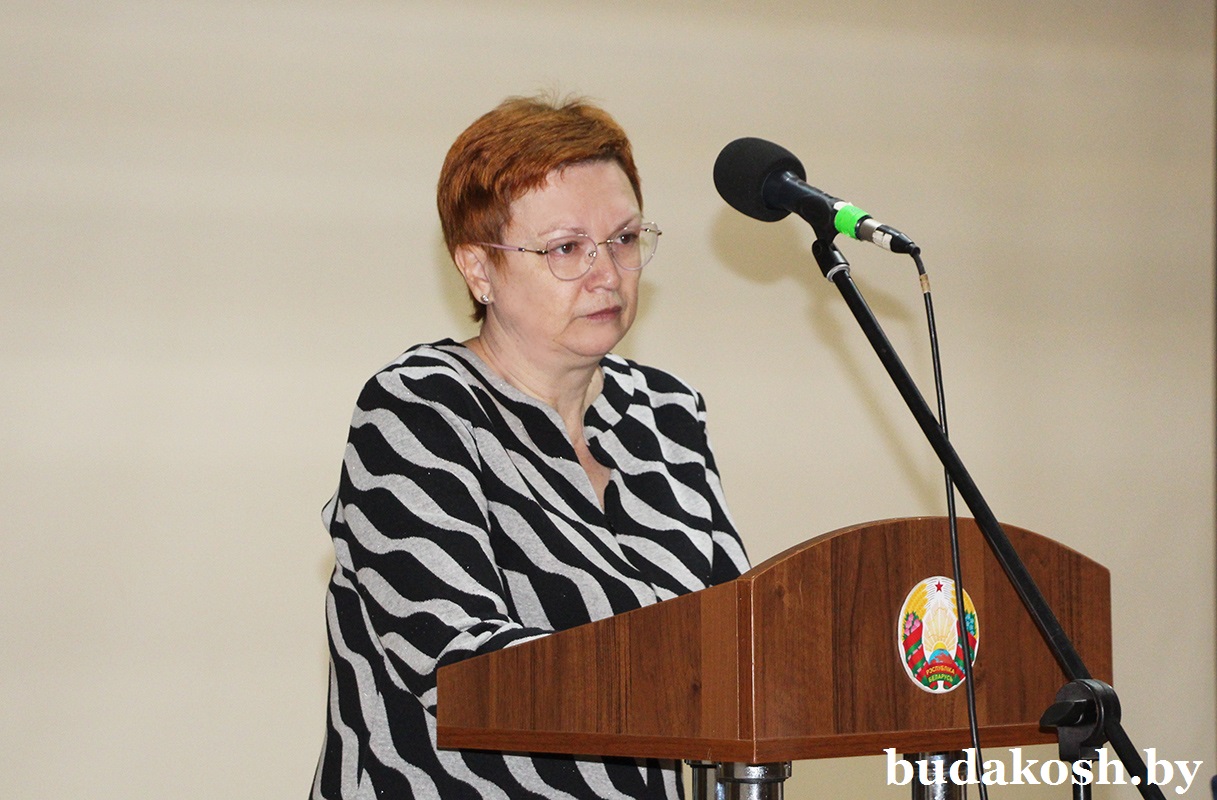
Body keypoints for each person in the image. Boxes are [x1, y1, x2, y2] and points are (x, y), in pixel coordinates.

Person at [311, 94, 750, 799]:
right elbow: (460, 671)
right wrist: (690, 679)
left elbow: (738, 641)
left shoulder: (665, 414)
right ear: (478, 269)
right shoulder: (419, 408)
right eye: (566, 248)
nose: (606, 273)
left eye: (624, 239)